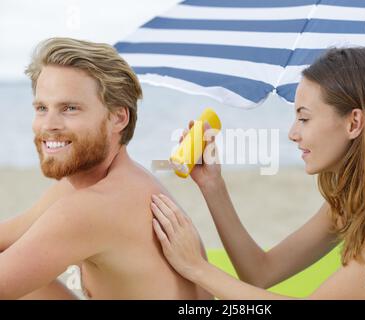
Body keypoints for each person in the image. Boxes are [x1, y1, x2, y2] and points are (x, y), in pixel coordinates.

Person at [151, 47, 365, 300]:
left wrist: (196, 267)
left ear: (354, 123)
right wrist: (212, 184)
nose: (293, 134)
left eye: (304, 118)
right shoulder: (353, 199)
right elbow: (259, 273)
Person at [0, 37, 211, 300]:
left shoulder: (95, 206)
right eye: (42, 108)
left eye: (70, 108)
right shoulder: (104, 184)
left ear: (118, 118)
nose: (48, 125)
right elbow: (8, 235)